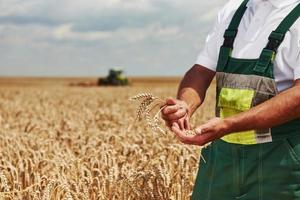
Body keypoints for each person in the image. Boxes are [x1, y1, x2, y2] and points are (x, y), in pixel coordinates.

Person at [161, 0, 300, 199]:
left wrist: (228, 124)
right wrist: (184, 105)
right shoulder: (232, 10)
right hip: (222, 158)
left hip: (282, 162)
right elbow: (201, 70)